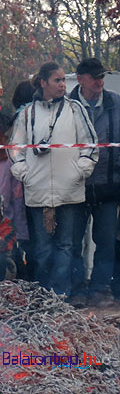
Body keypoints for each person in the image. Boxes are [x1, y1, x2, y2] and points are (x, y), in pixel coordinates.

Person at [8, 61, 98, 296]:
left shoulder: (75, 109)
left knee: (66, 245)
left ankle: (60, 296)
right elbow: (15, 149)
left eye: (62, 80)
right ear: (43, 82)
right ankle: (43, 295)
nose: (62, 85)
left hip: (69, 191)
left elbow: (90, 145)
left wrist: (80, 170)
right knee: (43, 248)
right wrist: (25, 175)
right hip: (38, 192)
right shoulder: (27, 114)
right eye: (57, 80)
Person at [69, 58, 120, 307]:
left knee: (107, 241)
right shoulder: (66, 105)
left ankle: (100, 289)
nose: (100, 81)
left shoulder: (116, 103)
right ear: (80, 79)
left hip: (108, 187)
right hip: (74, 188)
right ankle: (77, 289)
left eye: (102, 76)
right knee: (73, 241)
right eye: (95, 76)